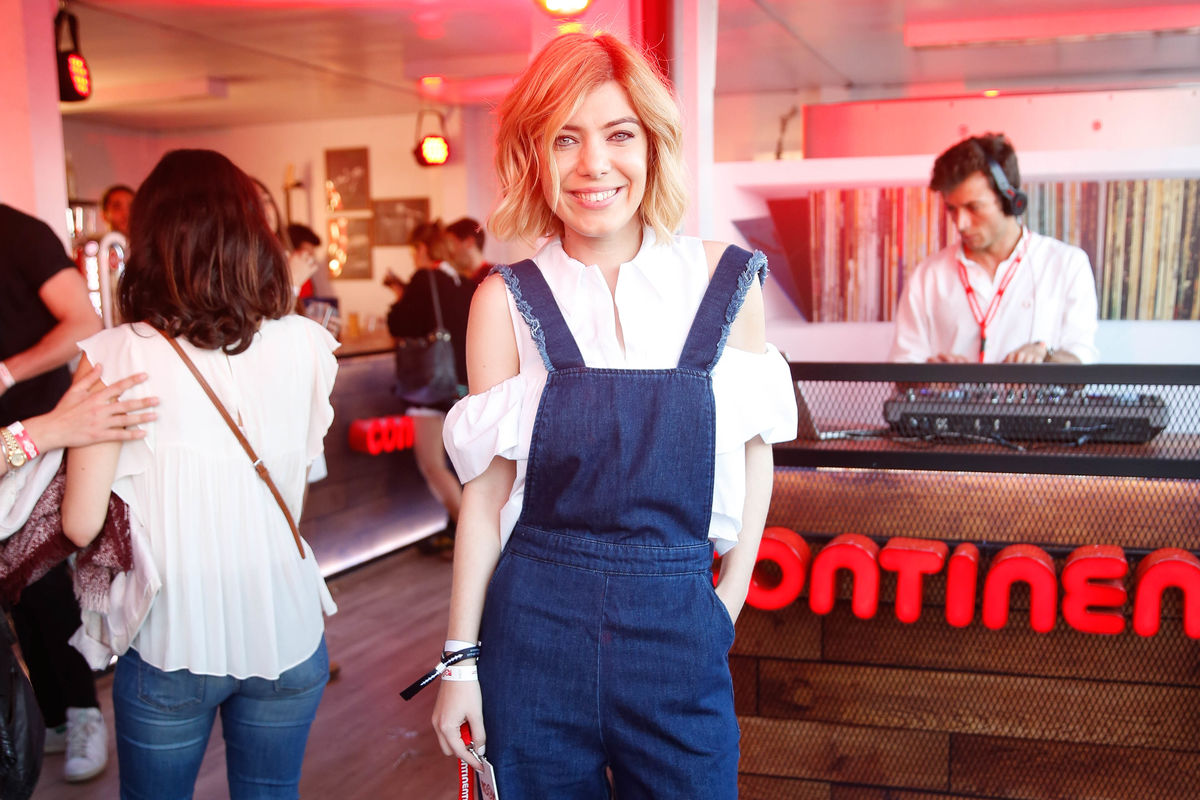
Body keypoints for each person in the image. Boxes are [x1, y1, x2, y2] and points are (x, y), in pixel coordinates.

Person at [429, 33, 797, 797]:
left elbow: (756, 450)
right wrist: (460, 659)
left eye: (618, 134)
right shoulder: (504, 300)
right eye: (564, 138)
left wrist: (724, 604)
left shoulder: (723, 281)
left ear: (653, 146)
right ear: (533, 156)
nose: (594, 164)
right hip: (533, 631)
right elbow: (486, 497)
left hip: (677, 628)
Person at [59, 149, 339, 799]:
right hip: (288, 624)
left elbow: (80, 525)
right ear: (252, 233)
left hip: (170, 637)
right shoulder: (306, 345)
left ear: (150, 240)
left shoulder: (115, 356)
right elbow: (292, 493)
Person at [0, 201, 110, 782]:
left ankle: (84, 711)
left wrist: (6, 372)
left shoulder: (18, 233)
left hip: (38, 437)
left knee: (41, 583)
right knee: (11, 599)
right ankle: (46, 718)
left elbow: (84, 321)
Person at [889, 133, 1099, 364]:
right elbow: (903, 363)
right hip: (951, 403)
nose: (961, 223)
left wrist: (1046, 358)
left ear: (1010, 200)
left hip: (1030, 402)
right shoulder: (927, 276)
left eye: (974, 207)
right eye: (952, 209)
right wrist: (930, 375)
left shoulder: (1067, 264)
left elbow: (1082, 364)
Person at [386, 220, 474, 552]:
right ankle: (474, 537)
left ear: (422, 250)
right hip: (462, 386)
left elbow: (399, 322)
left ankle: (473, 543)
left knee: (433, 465)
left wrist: (401, 294)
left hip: (430, 386)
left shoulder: (424, 279)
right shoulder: (464, 284)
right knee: (462, 470)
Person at [445, 217, 492, 285]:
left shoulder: (493, 277)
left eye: (452, 243)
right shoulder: (461, 280)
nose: (450, 250)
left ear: (469, 242)